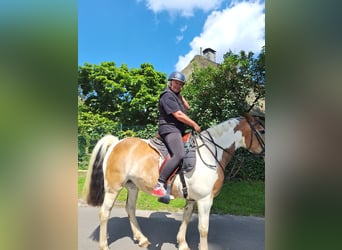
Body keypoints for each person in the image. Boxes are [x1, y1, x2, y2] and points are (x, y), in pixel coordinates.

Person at [152, 71, 201, 197]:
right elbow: (178, 114)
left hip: (178, 129)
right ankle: (159, 185)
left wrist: (179, 94)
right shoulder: (167, 96)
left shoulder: (175, 96)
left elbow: (187, 107)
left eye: (180, 84)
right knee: (179, 154)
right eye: (175, 83)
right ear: (170, 82)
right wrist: (194, 124)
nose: (177, 85)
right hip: (169, 129)